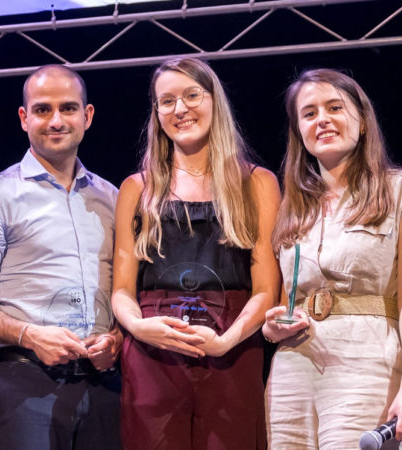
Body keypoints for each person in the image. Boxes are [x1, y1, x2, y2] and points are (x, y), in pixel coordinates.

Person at [262, 68, 402, 449]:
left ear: (362, 122)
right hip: (293, 366)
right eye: (309, 113)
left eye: (334, 107)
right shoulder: (293, 209)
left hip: (366, 360)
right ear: (299, 131)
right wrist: (273, 328)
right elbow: (286, 299)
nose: (322, 120)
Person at [109, 57, 279, 450]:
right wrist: (137, 327)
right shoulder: (137, 188)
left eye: (191, 95)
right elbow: (121, 289)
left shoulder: (256, 183)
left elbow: (267, 288)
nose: (180, 109)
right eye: (166, 101)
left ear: (214, 101)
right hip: (154, 350)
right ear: (156, 113)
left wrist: (226, 340)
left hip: (232, 348)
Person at [0, 64, 123, 450]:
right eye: (43, 109)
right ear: (24, 118)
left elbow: (130, 289)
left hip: (105, 386)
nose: (56, 120)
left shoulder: (114, 198)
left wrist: (117, 338)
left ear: (87, 116)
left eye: (68, 108)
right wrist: (28, 334)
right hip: (27, 382)